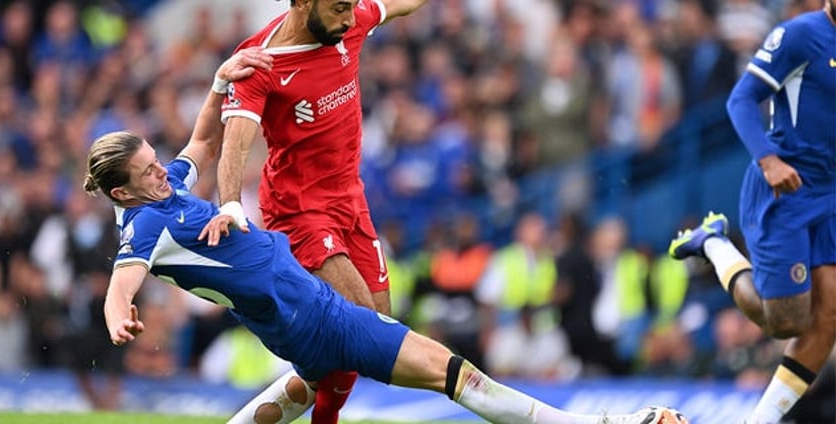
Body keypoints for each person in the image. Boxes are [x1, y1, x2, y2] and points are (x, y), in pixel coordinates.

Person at [86, 53, 688, 424]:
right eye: (147, 171)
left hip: (289, 312)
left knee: (307, 385)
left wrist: (219, 85)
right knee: (452, 371)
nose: (160, 169)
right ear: (121, 194)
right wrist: (119, 315)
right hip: (311, 313)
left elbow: (201, 146)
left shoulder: (164, 192)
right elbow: (123, 280)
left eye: (153, 159)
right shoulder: (144, 227)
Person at [205, 1, 430, 420]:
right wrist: (232, 204)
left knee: (377, 328)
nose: (349, 18)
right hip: (299, 209)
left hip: (350, 200)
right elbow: (234, 144)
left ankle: (304, 372)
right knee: (363, 327)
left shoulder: (349, 24)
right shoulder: (259, 61)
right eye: (339, 8)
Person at [669, 2, 835, 423]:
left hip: (831, 196)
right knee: (785, 322)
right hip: (787, 190)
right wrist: (768, 160)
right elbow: (741, 98)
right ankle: (714, 243)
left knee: (830, 315)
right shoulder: (798, 35)